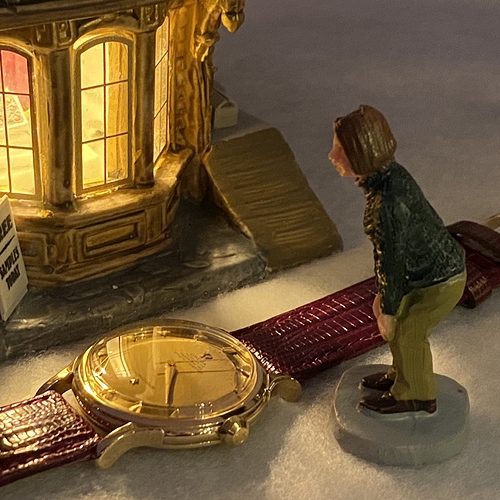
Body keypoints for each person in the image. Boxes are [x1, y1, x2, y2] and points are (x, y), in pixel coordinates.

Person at [329, 105, 466, 415]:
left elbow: (392, 258)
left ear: (362, 153)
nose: (332, 156)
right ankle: (401, 375)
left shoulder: (386, 203)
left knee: (407, 330)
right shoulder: (390, 176)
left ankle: (416, 395)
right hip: (426, 274)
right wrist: (389, 302)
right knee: (399, 324)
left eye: (341, 150)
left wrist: (389, 306)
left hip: (439, 280)